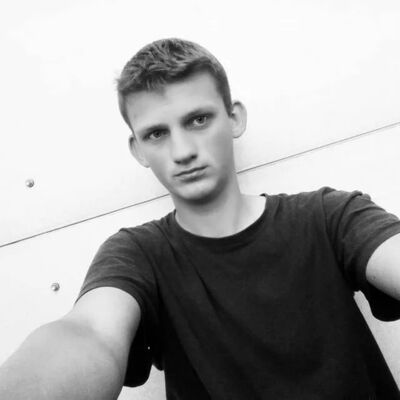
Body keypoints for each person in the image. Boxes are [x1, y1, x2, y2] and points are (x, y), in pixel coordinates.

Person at [1, 38, 400, 400]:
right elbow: (88, 333)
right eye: (157, 133)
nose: (183, 151)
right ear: (138, 150)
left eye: (198, 120)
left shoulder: (329, 216)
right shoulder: (138, 255)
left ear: (234, 118)